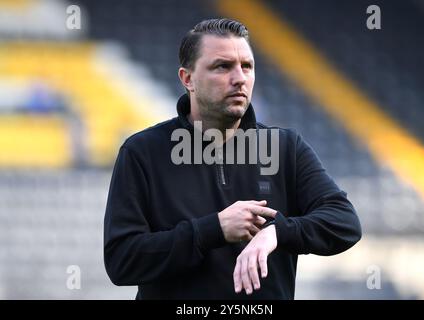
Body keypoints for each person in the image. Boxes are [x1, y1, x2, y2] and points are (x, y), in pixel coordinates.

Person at [104, 18, 362, 300]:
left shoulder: (286, 148)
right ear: (187, 79)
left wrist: (277, 232)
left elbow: (344, 222)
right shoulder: (142, 152)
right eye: (222, 66)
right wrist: (213, 229)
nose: (239, 78)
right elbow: (122, 261)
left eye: (247, 66)